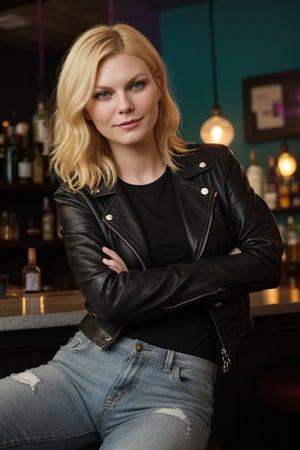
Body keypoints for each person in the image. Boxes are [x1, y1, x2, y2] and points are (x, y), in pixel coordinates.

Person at [0, 23, 283, 450]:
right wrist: (223, 270)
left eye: (136, 85)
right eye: (103, 94)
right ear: (85, 109)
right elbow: (109, 299)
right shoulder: (79, 194)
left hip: (174, 388)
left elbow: (265, 261)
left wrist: (140, 279)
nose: (125, 106)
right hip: (83, 369)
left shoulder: (214, 164)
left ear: (157, 86)